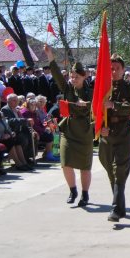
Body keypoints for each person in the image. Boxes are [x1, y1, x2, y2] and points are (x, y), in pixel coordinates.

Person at [44, 46, 95, 207]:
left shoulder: (90, 92)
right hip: (68, 129)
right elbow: (57, 75)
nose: (73, 79)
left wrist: (83, 105)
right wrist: (50, 57)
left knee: (85, 166)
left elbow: (92, 107)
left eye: (76, 77)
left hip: (85, 131)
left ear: (83, 77)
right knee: (65, 162)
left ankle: (85, 194)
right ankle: (73, 190)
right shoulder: (67, 88)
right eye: (71, 76)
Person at [98, 54, 130, 223]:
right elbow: (94, 111)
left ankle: (115, 208)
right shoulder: (100, 87)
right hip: (106, 135)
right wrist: (99, 128)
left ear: (123, 70)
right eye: (110, 69)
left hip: (123, 133)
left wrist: (113, 105)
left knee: (119, 169)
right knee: (110, 169)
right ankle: (120, 205)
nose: (113, 72)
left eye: (116, 69)